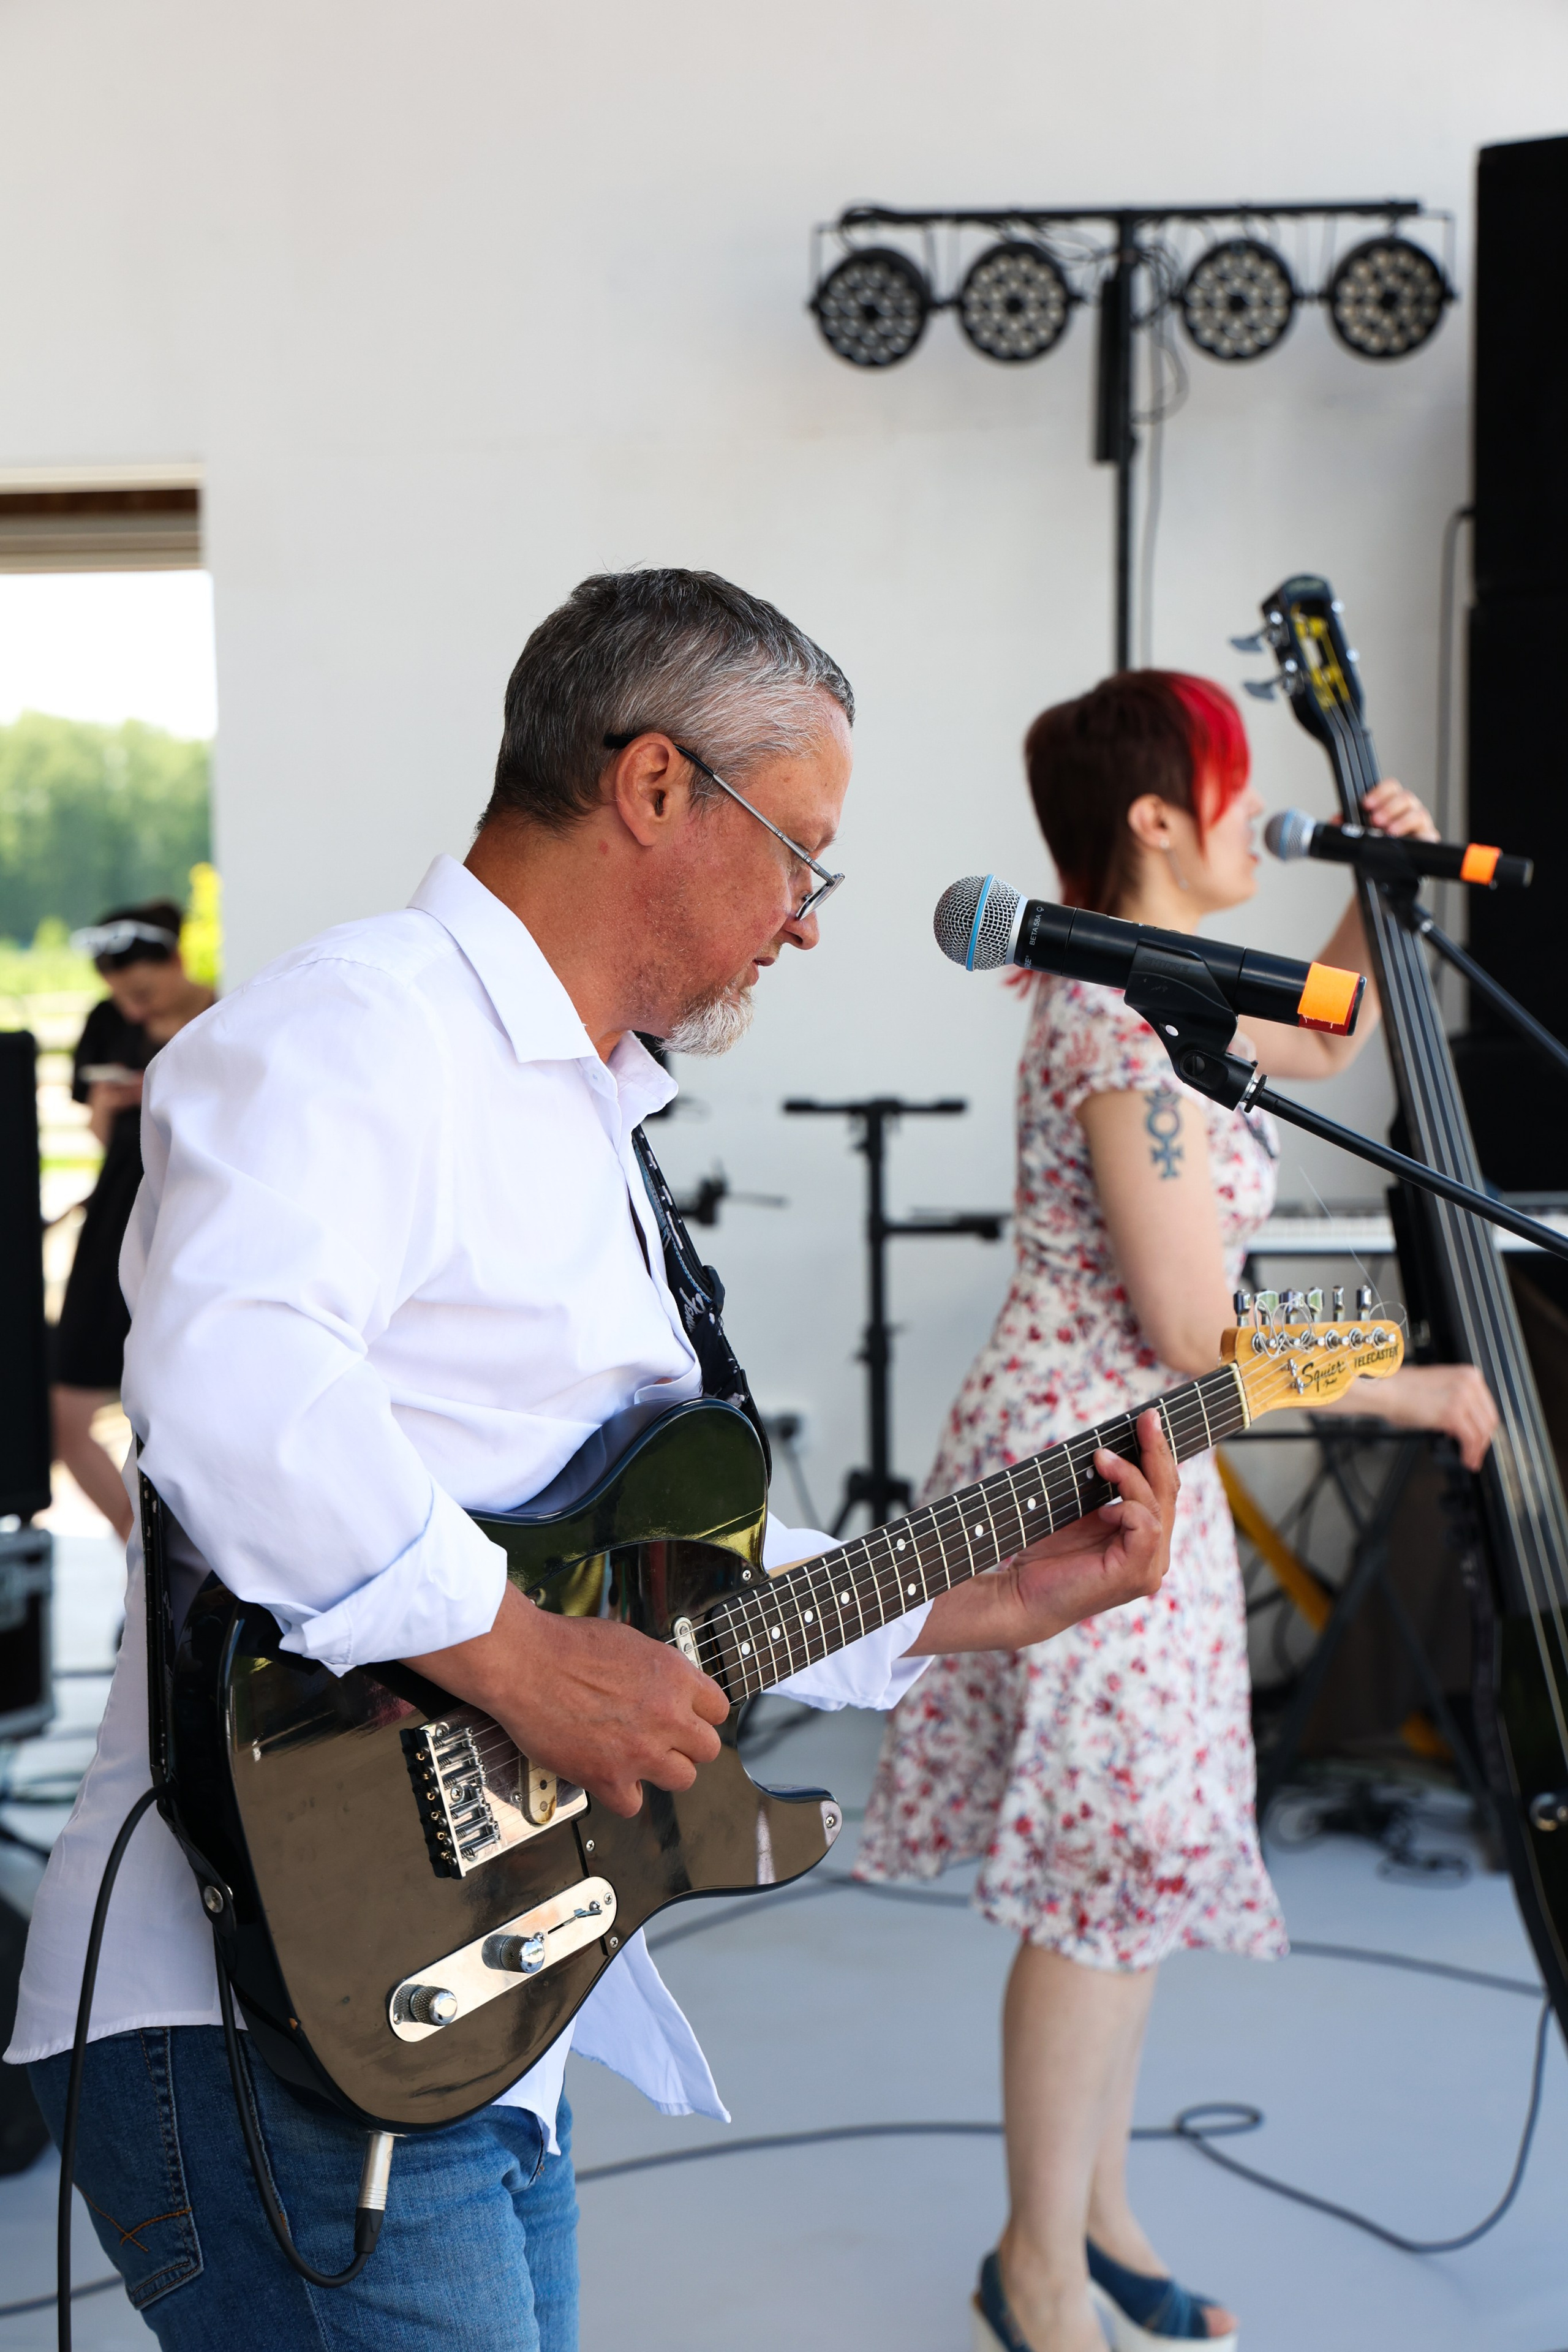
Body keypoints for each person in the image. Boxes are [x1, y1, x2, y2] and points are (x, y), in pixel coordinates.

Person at [6, 573, 1180, 2351]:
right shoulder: (359, 1028)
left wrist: (975, 1594)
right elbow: (235, 1384)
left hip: (466, 2010)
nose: (803, 923)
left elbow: (638, 1588)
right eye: (800, 854)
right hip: (262, 2034)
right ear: (651, 785)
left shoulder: (575, 1106)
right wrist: (514, 1655)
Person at [854, 669, 1498, 2352]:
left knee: (1131, 1870)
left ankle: (1096, 2217)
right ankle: (1033, 2271)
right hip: (1085, 1474)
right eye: (1229, 790)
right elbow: (1199, 1326)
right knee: (1104, 1874)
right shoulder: (1108, 1018)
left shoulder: (1165, 989)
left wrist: (1373, 887)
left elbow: (1319, 1034)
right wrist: (1407, 1377)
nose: (1247, 824)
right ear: (1157, 817)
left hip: (1146, 1460)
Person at [50, 902, 216, 1540]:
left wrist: (154, 1088)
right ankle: (141, 1558)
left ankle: (181, 1565)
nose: (133, 1011)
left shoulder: (228, 1014)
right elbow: (104, 1135)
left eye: (143, 993)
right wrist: (110, 1102)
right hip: (113, 1222)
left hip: (191, 1231)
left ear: (177, 961)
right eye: (121, 998)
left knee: (184, 1410)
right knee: (66, 1410)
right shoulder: (108, 1023)